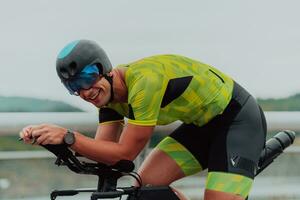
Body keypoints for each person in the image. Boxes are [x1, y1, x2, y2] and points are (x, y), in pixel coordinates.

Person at [20, 39, 266, 200]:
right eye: (74, 86)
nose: (85, 91)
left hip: (237, 120)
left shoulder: (143, 83)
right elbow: (104, 154)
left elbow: (124, 154)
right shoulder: (108, 99)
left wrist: (69, 136)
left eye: (87, 77)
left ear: (105, 68)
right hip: (200, 128)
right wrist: (49, 138)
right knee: (144, 190)